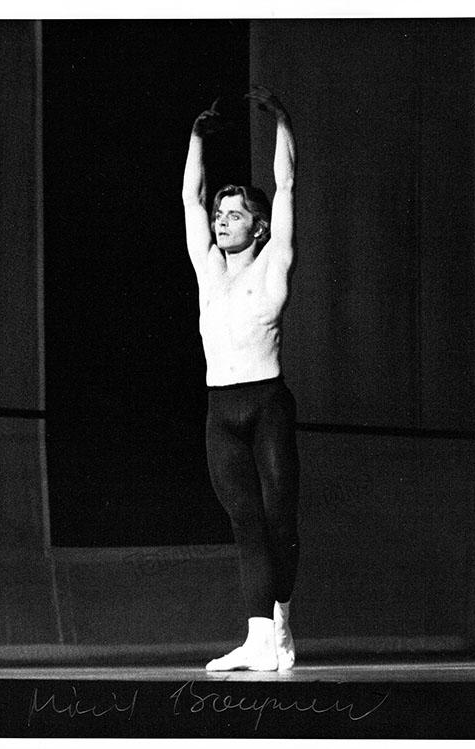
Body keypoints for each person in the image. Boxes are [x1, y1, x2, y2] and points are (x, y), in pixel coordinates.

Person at [181, 84, 300, 671]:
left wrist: (281, 122)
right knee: (245, 522)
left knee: (279, 520)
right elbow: (191, 198)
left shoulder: (275, 264)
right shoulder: (208, 269)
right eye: (220, 216)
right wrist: (196, 140)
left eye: (234, 216)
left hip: (267, 404)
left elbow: (286, 187)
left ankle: (280, 621)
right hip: (221, 411)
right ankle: (258, 638)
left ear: (259, 228)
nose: (222, 222)